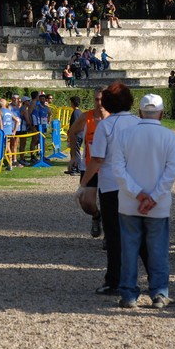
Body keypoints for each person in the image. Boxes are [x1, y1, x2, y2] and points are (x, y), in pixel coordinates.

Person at [113, 92, 175, 309]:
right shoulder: (169, 137)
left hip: (129, 203)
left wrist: (137, 193)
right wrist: (153, 197)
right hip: (158, 205)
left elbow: (118, 170)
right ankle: (159, 293)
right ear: (161, 113)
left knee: (129, 250)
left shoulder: (124, 135)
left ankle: (129, 294)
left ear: (140, 112)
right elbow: (170, 173)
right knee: (158, 249)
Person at [78, 83, 145, 296]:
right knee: (139, 234)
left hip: (112, 186)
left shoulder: (106, 126)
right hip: (136, 186)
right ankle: (156, 281)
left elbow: (97, 159)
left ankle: (115, 280)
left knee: (115, 235)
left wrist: (83, 184)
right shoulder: (138, 123)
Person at [69, 90, 108, 243]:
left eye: (102, 100)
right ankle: (97, 216)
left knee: (110, 203)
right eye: (97, 100)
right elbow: (72, 132)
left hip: (107, 168)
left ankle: (109, 235)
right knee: (86, 202)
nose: (100, 103)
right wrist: (73, 156)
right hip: (89, 166)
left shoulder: (113, 118)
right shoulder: (87, 117)